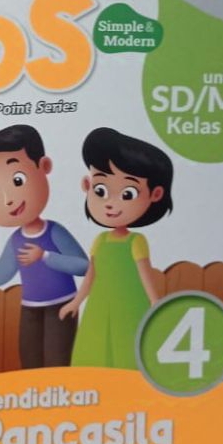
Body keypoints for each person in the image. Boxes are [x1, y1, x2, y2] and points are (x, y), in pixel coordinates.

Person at [0, 125, 89, 369]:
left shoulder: (54, 231)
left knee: (57, 361)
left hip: (61, 306)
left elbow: (83, 266)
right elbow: (1, 273)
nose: (8, 200)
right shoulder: (16, 240)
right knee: (30, 362)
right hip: (30, 309)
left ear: (44, 166)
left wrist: (46, 256)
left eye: (18, 180)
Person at [60, 127, 174, 369]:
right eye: (101, 190)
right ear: (87, 185)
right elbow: (91, 275)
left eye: (128, 193)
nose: (111, 204)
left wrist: (155, 301)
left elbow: (145, 274)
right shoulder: (100, 240)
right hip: (100, 303)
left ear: (155, 194)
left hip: (129, 302)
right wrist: (76, 301)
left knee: (128, 347)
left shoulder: (136, 241)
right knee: (97, 346)